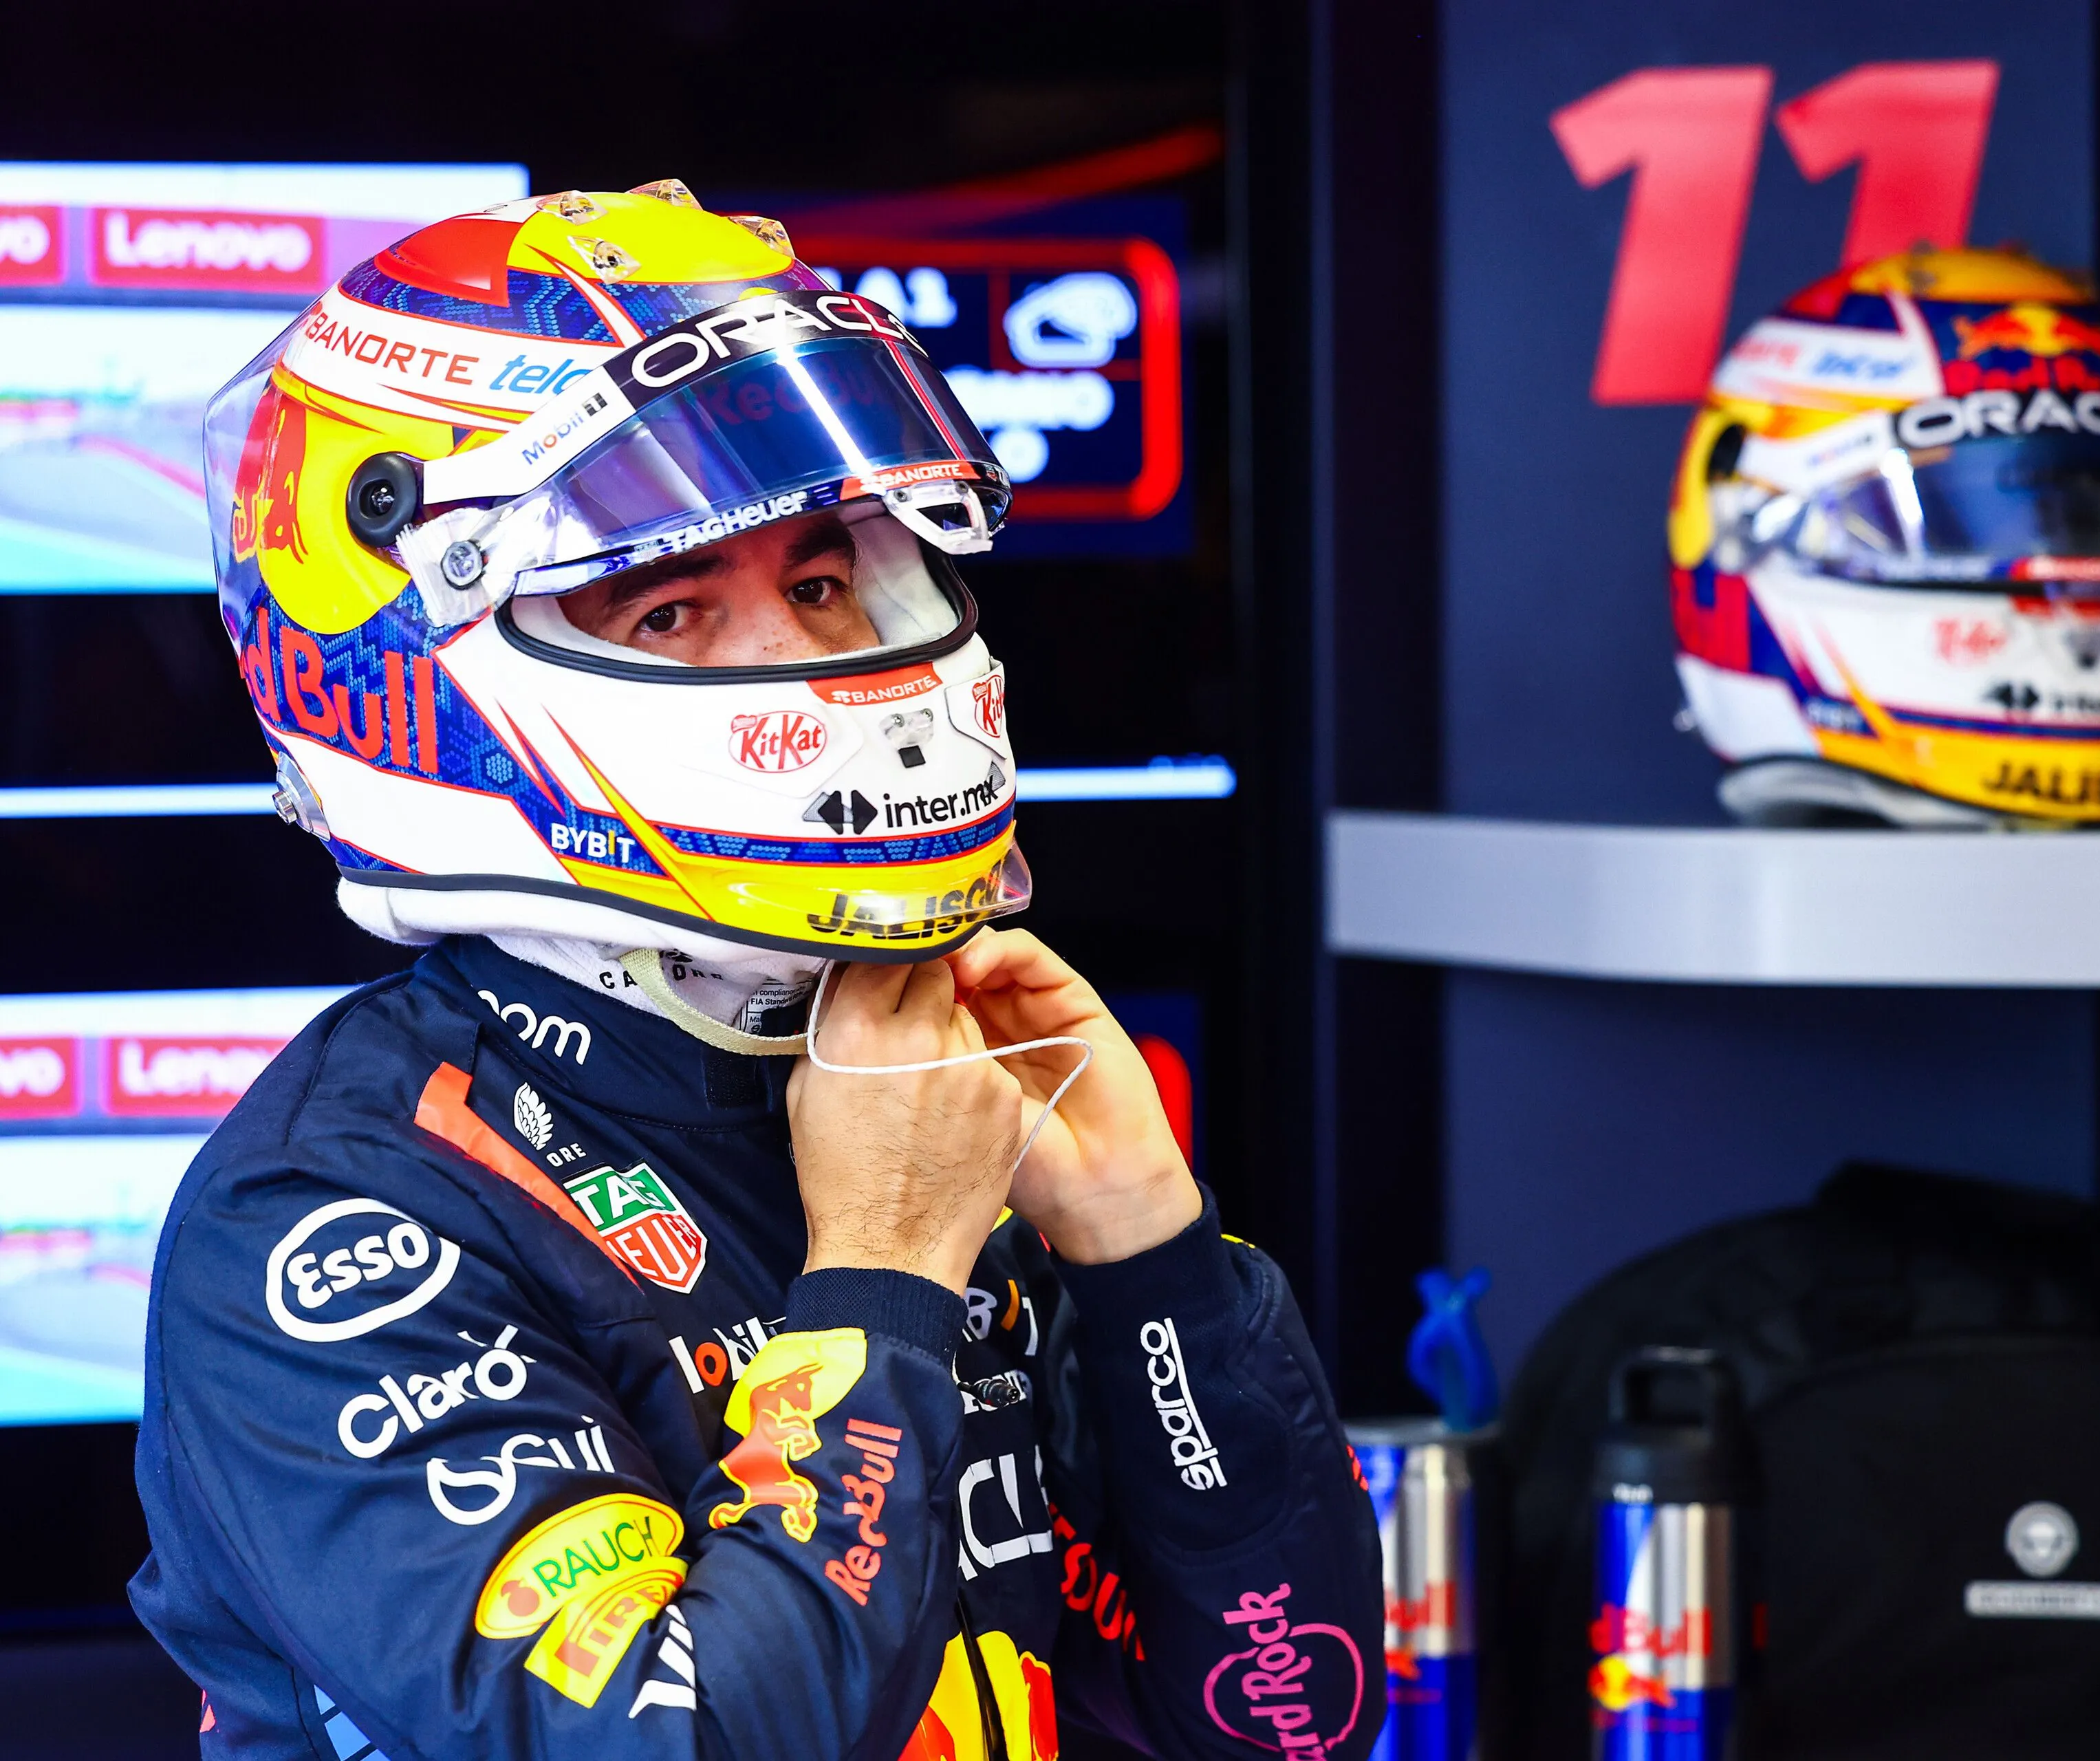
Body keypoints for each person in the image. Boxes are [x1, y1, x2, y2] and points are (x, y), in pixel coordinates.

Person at [130, 183, 1384, 1761]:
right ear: (422, 669)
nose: (805, 656)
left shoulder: (933, 1085)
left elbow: (1284, 1718)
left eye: (818, 582)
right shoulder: (334, 1214)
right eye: (670, 607)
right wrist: (882, 1277)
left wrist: (1152, 1257)